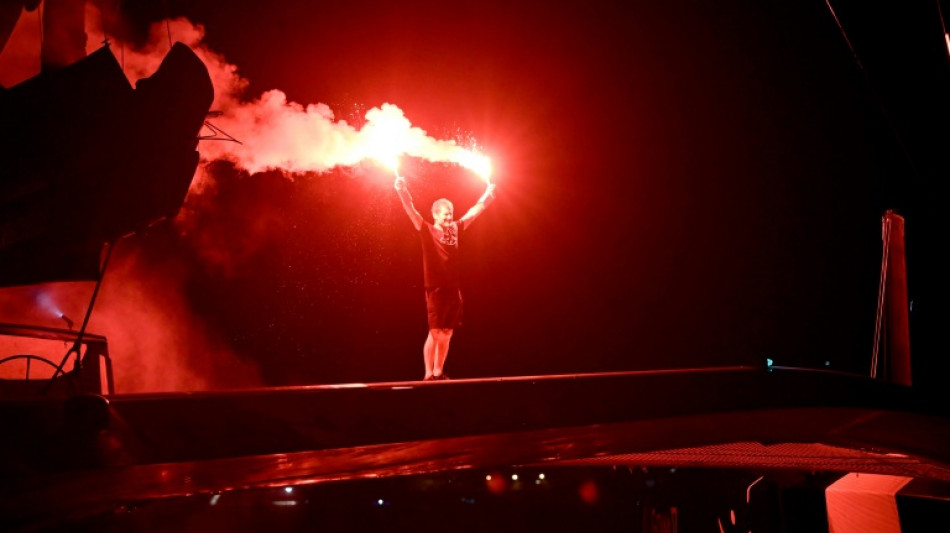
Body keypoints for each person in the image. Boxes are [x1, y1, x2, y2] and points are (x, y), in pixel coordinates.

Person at [394, 174, 497, 381]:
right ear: (435, 215)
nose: (449, 218)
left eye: (450, 214)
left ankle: (438, 372)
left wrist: (488, 195)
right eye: (445, 215)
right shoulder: (426, 229)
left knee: (447, 332)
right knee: (435, 333)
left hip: (453, 288)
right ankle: (427, 374)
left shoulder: (456, 230)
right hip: (435, 288)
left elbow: (473, 212)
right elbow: (410, 210)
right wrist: (401, 191)